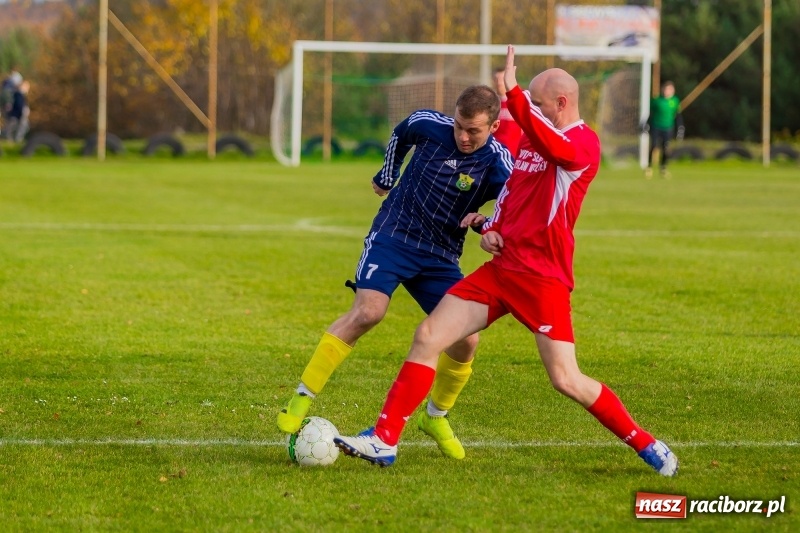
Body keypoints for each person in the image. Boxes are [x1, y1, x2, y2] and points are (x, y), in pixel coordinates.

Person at [333, 45, 679, 477]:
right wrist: (488, 224)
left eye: (536, 100)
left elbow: (558, 151)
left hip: (542, 280)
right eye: (528, 100)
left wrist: (515, 96)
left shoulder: (582, 145)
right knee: (428, 335)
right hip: (502, 272)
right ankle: (384, 440)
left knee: (566, 379)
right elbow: (515, 192)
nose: (529, 107)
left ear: (562, 104)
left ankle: (646, 444)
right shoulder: (534, 141)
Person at [276, 85, 514, 460]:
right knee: (369, 312)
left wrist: (484, 225)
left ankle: (436, 417)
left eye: (474, 131)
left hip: (440, 256)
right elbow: (401, 134)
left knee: (466, 339)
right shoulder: (427, 124)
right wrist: (387, 175)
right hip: (394, 236)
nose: (463, 136)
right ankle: (301, 398)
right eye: (459, 126)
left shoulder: (500, 164)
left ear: (495, 127)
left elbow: (509, 213)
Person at [644, 81, 684, 178]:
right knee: (653, 146)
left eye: (670, 89)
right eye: (666, 89)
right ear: (663, 90)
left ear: (673, 91)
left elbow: (678, 115)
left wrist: (680, 127)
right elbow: (651, 114)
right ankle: (649, 167)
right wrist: (646, 124)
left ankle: (663, 168)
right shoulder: (657, 101)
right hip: (656, 126)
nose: (667, 91)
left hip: (668, 128)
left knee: (666, 148)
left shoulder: (675, 101)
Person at [492, 67, 523, 157]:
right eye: (496, 79)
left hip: (515, 155)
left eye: (502, 79)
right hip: (496, 154)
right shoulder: (491, 103)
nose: (499, 83)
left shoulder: (519, 101)